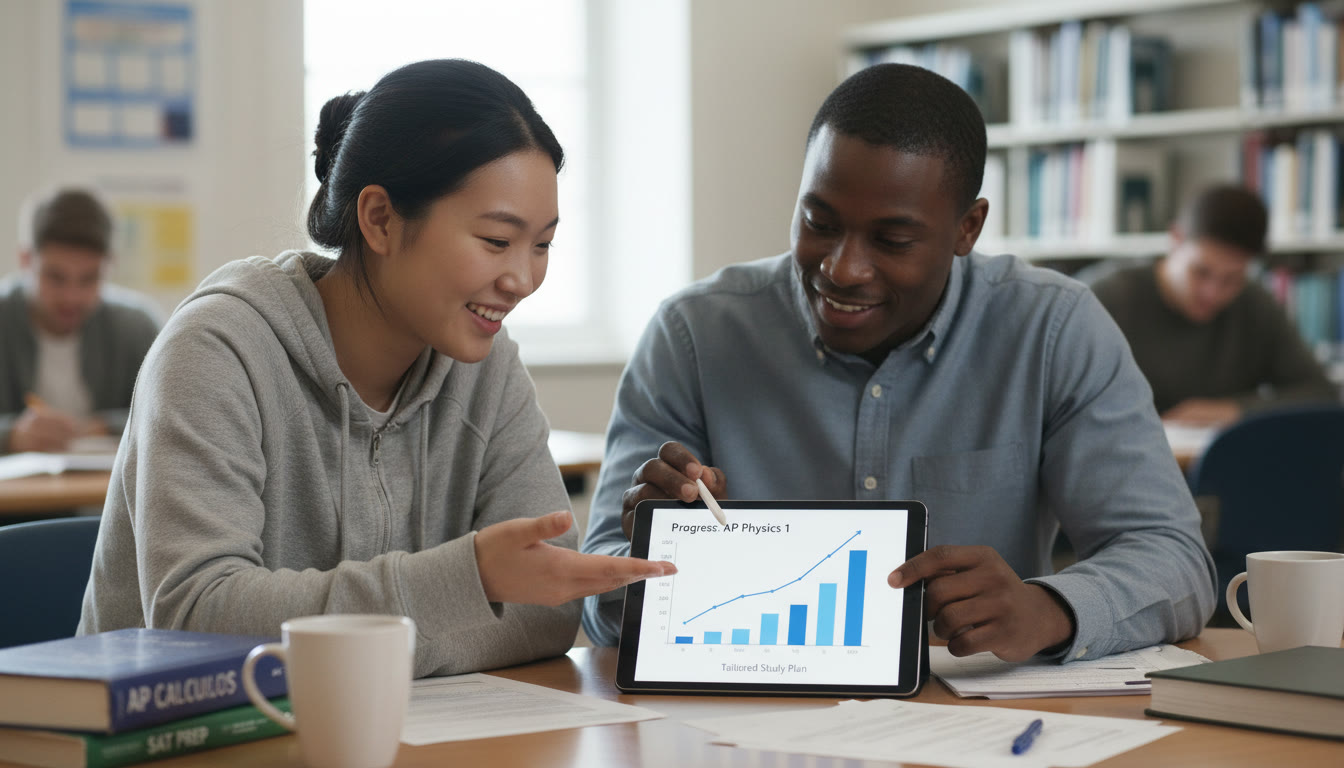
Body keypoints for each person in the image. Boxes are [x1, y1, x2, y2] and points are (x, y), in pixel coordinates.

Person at [581, 63, 1216, 662]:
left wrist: (1047, 608)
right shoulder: (693, 334)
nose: (842, 268)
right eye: (818, 222)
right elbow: (594, 605)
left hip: (973, 728)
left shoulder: (1052, 329)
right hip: (746, 716)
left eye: (892, 241)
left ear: (967, 229)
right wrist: (648, 554)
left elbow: (1174, 559)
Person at [79, 59, 674, 677]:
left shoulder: (488, 367)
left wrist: (396, 634)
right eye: (497, 241)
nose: (522, 279)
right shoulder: (215, 351)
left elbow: (547, 612)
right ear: (381, 219)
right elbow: (196, 621)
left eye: (543, 244)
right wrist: (467, 585)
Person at [1091, 184, 1336, 427]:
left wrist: (1234, 410)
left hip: (1218, 461)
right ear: (1175, 239)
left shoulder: (1255, 304)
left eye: (1232, 279)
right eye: (1200, 272)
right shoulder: (1105, 300)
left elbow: (1320, 393)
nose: (1213, 293)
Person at [0, 188, 161, 453]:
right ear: (26, 261)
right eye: (55, 277)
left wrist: (107, 428)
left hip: (104, 491)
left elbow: (172, 414)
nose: (71, 297)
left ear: (110, 266)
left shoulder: (137, 327)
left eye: (89, 279)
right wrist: (12, 436)